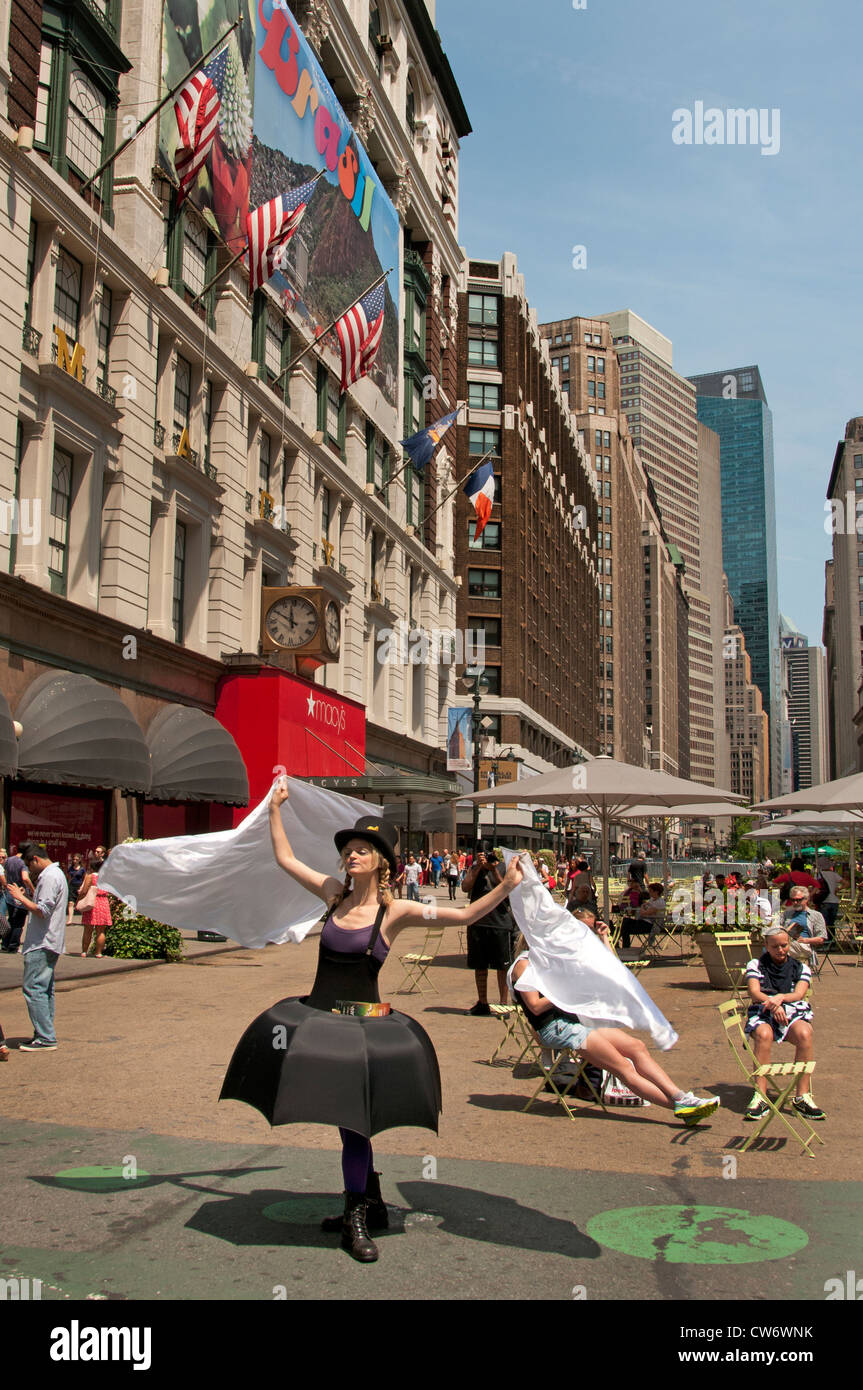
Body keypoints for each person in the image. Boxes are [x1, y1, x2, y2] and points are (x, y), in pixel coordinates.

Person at [221, 784, 524, 1262]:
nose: (351, 856)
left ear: (383, 861)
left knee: (354, 1125)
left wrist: (506, 886)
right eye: (347, 850)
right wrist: (275, 809)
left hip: (362, 1029)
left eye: (361, 850)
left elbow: (463, 914)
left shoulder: (394, 911)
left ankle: (355, 1218)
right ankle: (372, 1202)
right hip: (319, 1021)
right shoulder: (331, 894)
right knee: (343, 1120)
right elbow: (284, 859)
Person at [509, 930, 720, 1124]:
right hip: (556, 1028)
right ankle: (680, 1106)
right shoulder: (524, 965)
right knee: (623, 1066)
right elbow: (535, 1007)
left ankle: (680, 1097)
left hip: (574, 1020)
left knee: (636, 1047)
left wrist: (604, 940)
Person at [743, 925, 824, 1121]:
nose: (780, 950)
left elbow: (799, 993)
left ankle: (802, 1095)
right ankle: (760, 1095)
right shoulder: (756, 965)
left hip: (790, 1010)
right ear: (766, 946)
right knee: (764, 1034)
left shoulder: (800, 967)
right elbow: (754, 992)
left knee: (805, 1033)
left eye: (784, 945)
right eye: (775, 947)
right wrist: (773, 1004)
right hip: (763, 1010)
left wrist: (779, 999)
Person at [6, 841, 69, 1050]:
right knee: (43, 989)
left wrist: (20, 897)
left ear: (36, 859)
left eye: (29, 866)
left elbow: (43, 910)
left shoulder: (50, 876)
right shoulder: (55, 875)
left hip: (42, 941)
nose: (29, 871)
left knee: (34, 988)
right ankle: (43, 1033)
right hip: (49, 940)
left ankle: (45, 1037)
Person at [462, 850, 516, 1014]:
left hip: (500, 922)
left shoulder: (503, 868)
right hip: (478, 922)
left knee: (502, 966)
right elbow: (465, 887)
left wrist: (493, 870)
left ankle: (503, 1003)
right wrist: (478, 867)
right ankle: (482, 1002)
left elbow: (509, 890)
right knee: (480, 965)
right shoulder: (474, 868)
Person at [78, 851, 112, 958]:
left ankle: (84, 951)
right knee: (101, 931)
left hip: (92, 902)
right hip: (103, 902)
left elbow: (84, 891)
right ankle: (99, 953)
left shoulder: (90, 876)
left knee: (88, 929)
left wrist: (79, 899)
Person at [780, 887, 828, 965]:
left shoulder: (816, 915)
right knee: (772, 946)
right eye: (793, 900)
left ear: (806, 899)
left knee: (781, 948)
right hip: (785, 942)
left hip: (804, 945)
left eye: (798, 900)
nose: (795, 902)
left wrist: (805, 940)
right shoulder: (787, 913)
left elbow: (821, 938)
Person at [1, 846, 34, 954]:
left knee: (11, 919)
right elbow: (25, 878)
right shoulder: (23, 863)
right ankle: (13, 946)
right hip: (20, 894)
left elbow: (4, 873)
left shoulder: (9, 860)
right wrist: (33, 890)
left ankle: (5, 944)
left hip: (9, 894)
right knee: (19, 923)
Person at [66, 854, 86, 927]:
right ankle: (70, 919)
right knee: (71, 903)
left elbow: (84, 879)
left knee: (80, 904)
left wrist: (82, 887)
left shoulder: (82, 869)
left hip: (79, 886)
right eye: (74, 859)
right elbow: (68, 877)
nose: (75, 861)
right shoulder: (70, 868)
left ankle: (84, 919)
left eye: (76, 859)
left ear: (79, 860)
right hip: (72, 886)